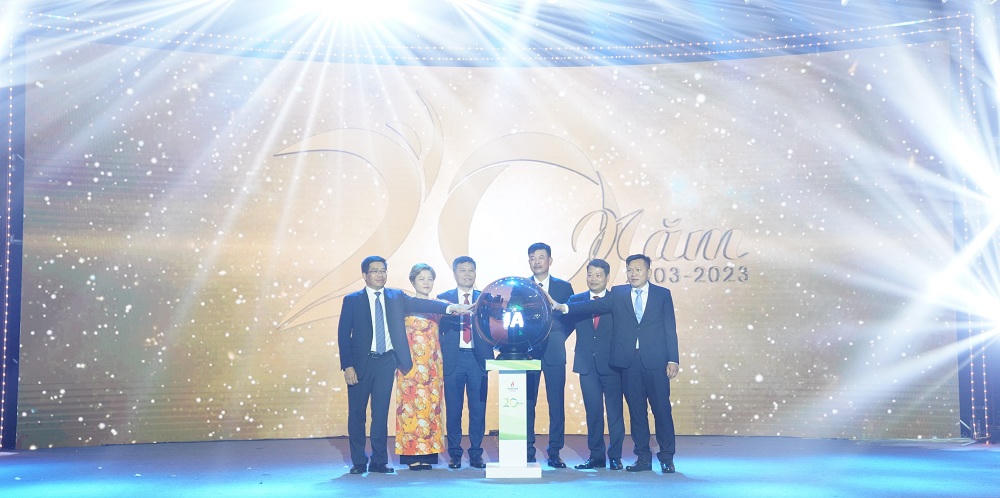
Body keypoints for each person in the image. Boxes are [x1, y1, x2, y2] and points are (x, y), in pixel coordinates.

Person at [338, 256, 467, 475]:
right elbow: (343, 334)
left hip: (386, 362)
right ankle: (359, 462)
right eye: (375, 271)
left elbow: (423, 303)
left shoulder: (395, 296)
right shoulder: (352, 300)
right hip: (360, 365)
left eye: (383, 270)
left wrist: (451, 307)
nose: (380, 275)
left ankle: (379, 461)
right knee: (357, 414)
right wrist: (347, 365)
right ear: (365, 275)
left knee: (380, 415)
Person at [553, 254, 679, 474]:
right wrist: (564, 307)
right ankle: (643, 458)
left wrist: (673, 358)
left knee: (661, 410)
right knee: (637, 413)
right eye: (630, 270)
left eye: (638, 270)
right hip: (628, 363)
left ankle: (667, 457)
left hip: (656, 361)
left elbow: (670, 327)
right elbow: (597, 304)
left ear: (648, 272)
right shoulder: (619, 293)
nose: (633, 274)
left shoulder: (662, 294)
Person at [566, 259, 625, 471]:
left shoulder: (616, 300)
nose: (593, 279)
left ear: (607, 277)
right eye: (590, 274)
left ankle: (615, 456)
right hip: (586, 365)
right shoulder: (576, 300)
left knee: (615, 413)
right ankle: (596, 456)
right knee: (593, 412)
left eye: (598, 275)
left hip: (611, 365)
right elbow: (564, 327)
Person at [437, 256, 494, 469]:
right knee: (454, 408)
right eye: (462, 270)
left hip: (478, 359)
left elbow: (495, 326)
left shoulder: (487, 298)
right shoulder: (443, 299)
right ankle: (455, 453)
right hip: (454, 358)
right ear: (454, 273)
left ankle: (476, 453)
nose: (467, 274)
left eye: (471, 270)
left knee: (478, 408)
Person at [524, 242, 574, 468]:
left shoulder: (564, 287)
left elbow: (571, 318)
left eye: (541, 257)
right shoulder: (522, 287)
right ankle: (527, 449)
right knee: (528, 401)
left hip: (554, 350)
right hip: (528, 352)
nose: (536, 261)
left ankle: (555, 451)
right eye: (532, 258)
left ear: (550, 261)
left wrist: (558, 336)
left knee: (556, 402)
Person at [395, 263, 446, 471]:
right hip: (410, 366)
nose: (426, 282)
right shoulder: (405, 304)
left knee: (431, 409)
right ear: (412, 281)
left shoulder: (439, 306)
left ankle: (429, 455)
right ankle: (411, 456)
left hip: (433, 365)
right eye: (421, 279)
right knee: (410, 410)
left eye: (429, 279)